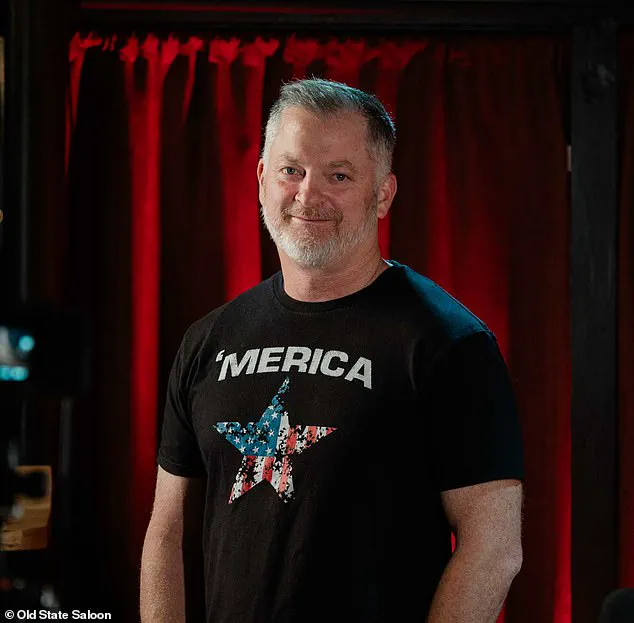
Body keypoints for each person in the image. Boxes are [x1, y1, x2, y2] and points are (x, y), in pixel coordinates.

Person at [140, 78, 524, 623]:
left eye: (338, 176)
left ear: (383, 194)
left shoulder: (449, 345)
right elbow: (169, 532)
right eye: (290, 170)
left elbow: (494, 546)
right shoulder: (208, 340)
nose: (307, 195)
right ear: (261, 179)